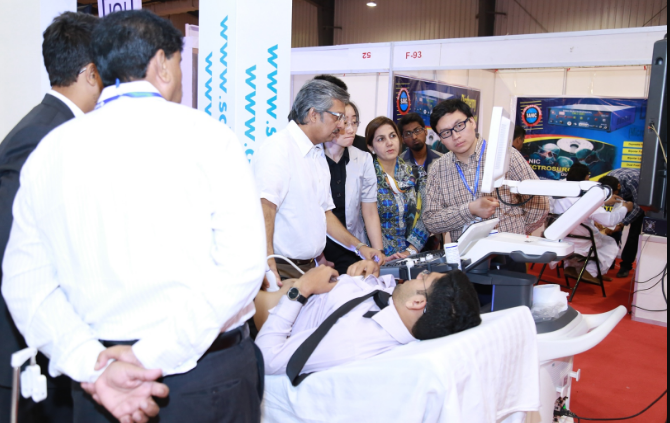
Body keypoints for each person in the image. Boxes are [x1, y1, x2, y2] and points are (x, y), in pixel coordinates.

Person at [2, 10, 267, 423]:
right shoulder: (209, 137)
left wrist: (93, 364)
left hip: (98, 387)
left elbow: (25, 282)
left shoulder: (50, 151)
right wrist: (147, 356)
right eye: (179, 62)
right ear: (162, 63)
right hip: (204, 383)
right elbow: (241, 267)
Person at [0, 12, 102, 423]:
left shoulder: (58, 127)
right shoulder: (40, 136)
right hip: (27, 350)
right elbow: (14, 246)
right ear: (92, 73)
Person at [254, 260, 481, 379]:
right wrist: (369, 275)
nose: (420, 273)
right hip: (291, 285)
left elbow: (266, 358)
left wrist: (302, 288)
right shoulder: (399, 312)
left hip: (260, 308)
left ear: (417, 303)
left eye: (425, 277)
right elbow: (375, 297)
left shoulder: (350, 341)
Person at [255, 80, 385, 283]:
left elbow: (325, 214)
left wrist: (360, 247)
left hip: (308, 268)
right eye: (337, 117)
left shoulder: (316, 153)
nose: (341, 125)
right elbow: (265, 208)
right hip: (280, 268)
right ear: (313, 114)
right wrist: (266, 262)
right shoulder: (278, 148)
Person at [423, 99, 549, 273]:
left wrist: (517, 232)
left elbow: (540, 201)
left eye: (459, 125)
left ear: (472, 122)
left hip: (508, 255)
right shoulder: (438, 169)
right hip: (466, 259)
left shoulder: (507, 156)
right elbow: (431, 221)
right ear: (440, 138)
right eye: (446, 132)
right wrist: (470, 210)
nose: (455, 136)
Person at [322, 102, 384, 274]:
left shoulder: (363, 159)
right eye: (345, 122)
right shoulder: (313, 158)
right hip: (318, 250)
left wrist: (378, 253)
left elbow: (369, 210)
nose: (351, 129)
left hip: (352, 246)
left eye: (354, 122)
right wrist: (318, 257)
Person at [553, 164, 633, 283]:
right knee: (609, 244)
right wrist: (625, 208)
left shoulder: (558, 196)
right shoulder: (586, 200)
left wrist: (602, 202)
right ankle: (590, 272)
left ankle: (571, 267)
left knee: (592, 239)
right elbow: (609, 221)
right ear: (585, 179)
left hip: (561, 239)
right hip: (582, 241)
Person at [366, 117, 430, 260]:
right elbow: (365, 222)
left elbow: (427, 214)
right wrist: (386, 254)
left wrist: (410, 251)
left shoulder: (417, 174)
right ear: (371, 147)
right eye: (381, 139)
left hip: (414, 256)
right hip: (380, 257)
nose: (389, 143)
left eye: (392, 136)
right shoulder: (367, 179)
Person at [600, 169, 644, 278]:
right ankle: (609, 260)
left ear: (618, 186)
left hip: (637, 197)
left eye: (614, 194)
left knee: (634, 232)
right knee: (612, 226)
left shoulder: (634, 182)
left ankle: (626, 265)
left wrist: (622, 223)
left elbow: (639, 208)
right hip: (623, 192)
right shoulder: (606, 182)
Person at [312, 75, 369, 154]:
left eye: (354, 122)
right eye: (345, 122)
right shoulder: (309, 147)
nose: (341, 125)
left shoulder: (362, 149)